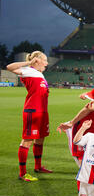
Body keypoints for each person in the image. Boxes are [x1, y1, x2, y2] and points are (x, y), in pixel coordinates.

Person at [7, 51, 52, 182]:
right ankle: (23, 173)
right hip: (33, 110)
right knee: (27, 140)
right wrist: (29, 63)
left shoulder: (40, 74)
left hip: (42, 111)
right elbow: (10, 67)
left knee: (40, 139)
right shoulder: (28, 70)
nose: (47, 63)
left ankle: (38, 167)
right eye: (45, 60)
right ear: (37, 61)